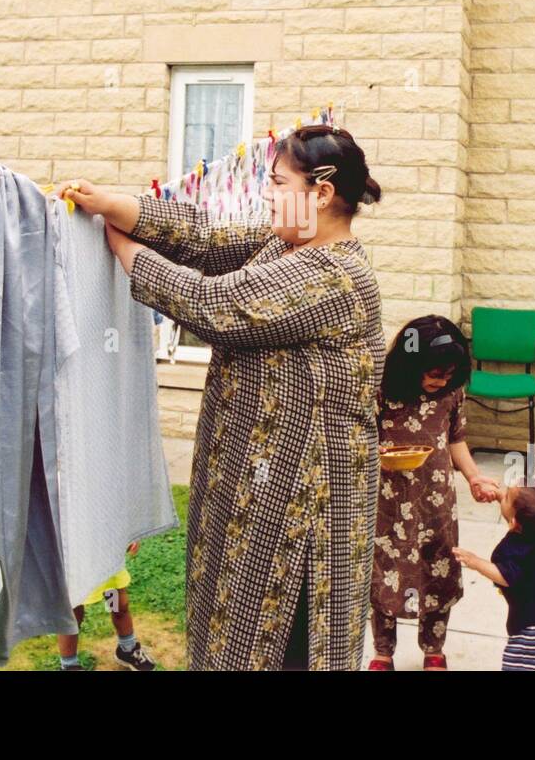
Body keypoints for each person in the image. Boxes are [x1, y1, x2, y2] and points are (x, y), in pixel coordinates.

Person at [59, 125, 384, 671]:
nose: (268, 194)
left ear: (321, 194)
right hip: (255, 494)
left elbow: (214, 305)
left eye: (279, 183)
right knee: (232, 630)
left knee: (282, 645)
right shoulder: (284, 244)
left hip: (302, 516)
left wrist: (122, 246)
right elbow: (206, 237)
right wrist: (115, 205)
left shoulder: (337, 275)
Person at [368, 316, 500, 672]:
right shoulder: (381, 389)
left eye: (449, 374)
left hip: (436, 499)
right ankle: (383, 652)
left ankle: (434, 649)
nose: (441, 380)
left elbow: (456, 438)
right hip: (387, 498)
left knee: (438, 567)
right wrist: (374, 455)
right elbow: (364, 437)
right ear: (411, 364)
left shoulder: (451, 393)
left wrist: (474, 478)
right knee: (384, 572)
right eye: (434, 373)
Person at [453, 483, 535, 671]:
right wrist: (498, 496)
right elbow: (518, 508)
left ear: (514, 523)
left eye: (506, 498)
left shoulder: (513, 549)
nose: (503, 495)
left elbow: (505, 576)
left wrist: (475, 562)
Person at [56, 542, 158, 671]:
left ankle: (127, 649)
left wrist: (127, 537)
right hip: (75, 561)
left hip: (107, 561)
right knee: (73, 614)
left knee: (118, 606)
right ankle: (69, 665)